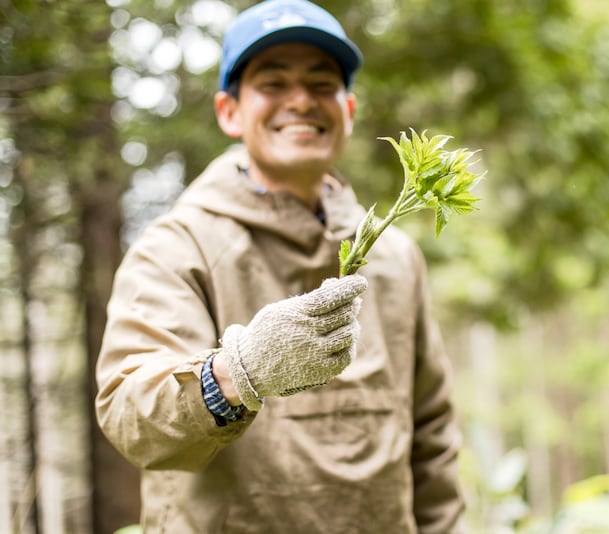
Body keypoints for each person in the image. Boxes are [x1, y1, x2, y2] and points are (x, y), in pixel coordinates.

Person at [94, 0, 465, 531]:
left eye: (321, 84)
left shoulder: (395, 255)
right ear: (230, 111)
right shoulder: (178, 246)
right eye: (272, 83)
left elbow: (431, 434)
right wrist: (240, 371)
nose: (300, 101)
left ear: (349, 110)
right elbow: (131, 418)